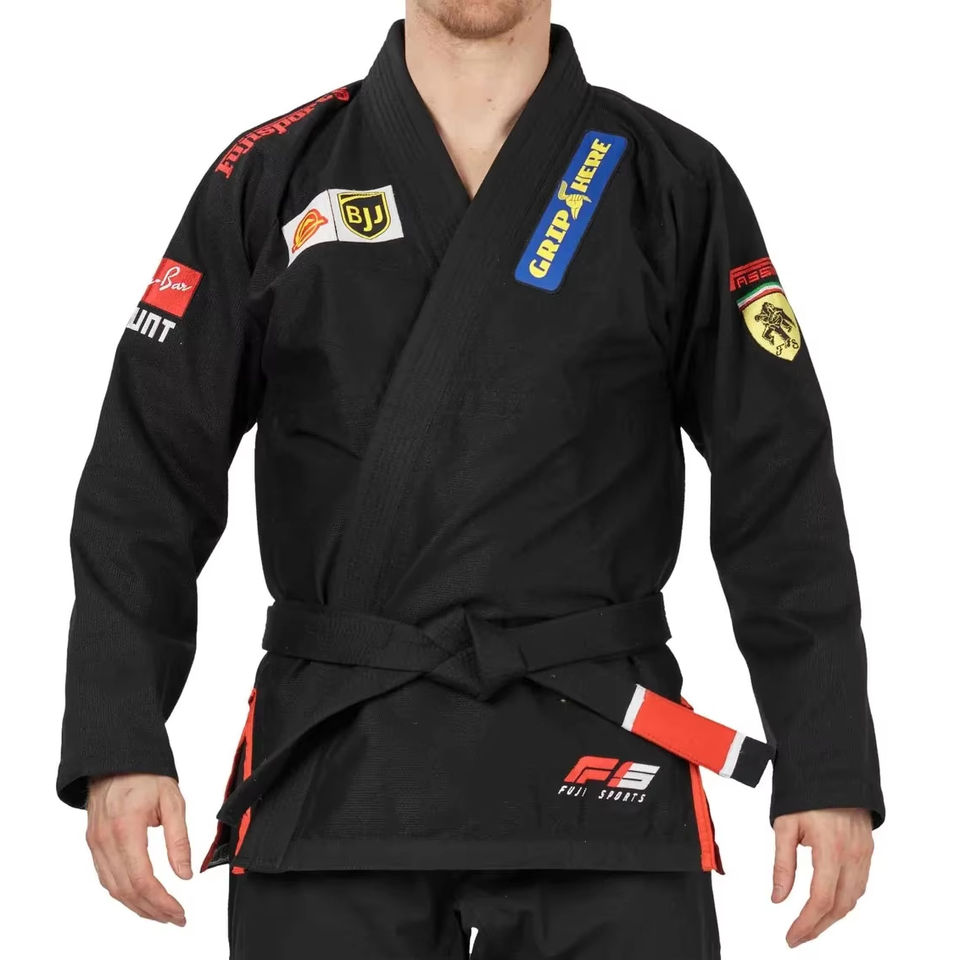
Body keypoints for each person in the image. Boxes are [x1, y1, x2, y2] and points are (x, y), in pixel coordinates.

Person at [56, 1, 884, 956]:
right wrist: (118, 732)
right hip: (337, 777)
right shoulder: (272, 174)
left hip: (602, 776)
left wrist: (826, 756)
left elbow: (778, 480)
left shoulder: (670, 179)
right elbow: (146, 473)